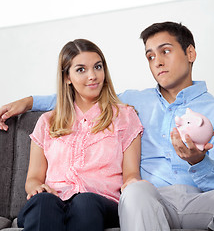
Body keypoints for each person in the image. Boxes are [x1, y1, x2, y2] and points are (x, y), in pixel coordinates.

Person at [0, 22, 214, 231]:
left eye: (165, 51)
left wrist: (199, 161)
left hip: (201, 199)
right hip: (149, 198)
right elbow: (81, 97)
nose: (157, 61)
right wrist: (29, 101)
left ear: (190, 53)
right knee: (134, 190)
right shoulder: (133, 100)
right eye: (150, 56)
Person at [15, 39, 143, 231]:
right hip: (54, 201)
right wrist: (37, 188)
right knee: (43, 203)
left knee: (85, 203)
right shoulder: (47, 122)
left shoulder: (124, 116)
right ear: (67, 77)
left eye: (97, 67)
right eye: (81, 70)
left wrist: (133, 184)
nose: (92, 76)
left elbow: (131, 173)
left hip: (100, 203)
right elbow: (33, 178)